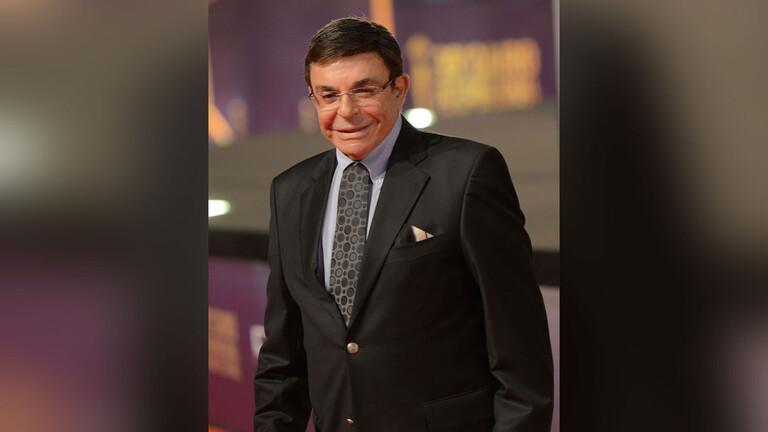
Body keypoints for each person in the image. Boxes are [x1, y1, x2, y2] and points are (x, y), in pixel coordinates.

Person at [254, 16, 553, 432]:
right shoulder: (289, 191)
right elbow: (282, 360)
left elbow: (521, 350)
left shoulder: (467, 173)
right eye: (329, 95)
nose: (346, 111)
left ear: (399, 89)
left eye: (364, 90)